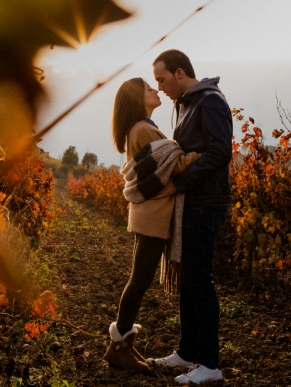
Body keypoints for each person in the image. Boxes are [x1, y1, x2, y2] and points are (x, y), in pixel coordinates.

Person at [103, 77, 201, 372]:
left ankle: (122, 345)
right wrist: (207, 155)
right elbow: (172, 164)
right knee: (139, 280)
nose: (156, 90)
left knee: (139, 279)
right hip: (153, 216)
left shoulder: (141, 128)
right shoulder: (143, 129)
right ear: (137, 99)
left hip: (149, 214)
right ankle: (118, 347)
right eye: (149, 88)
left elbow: (164, 161)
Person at [147, 49, 232, 385]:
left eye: (162, 79)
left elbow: (220, 152)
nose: (160, 86)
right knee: (188, 277)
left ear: (180, 73)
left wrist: (179, 183)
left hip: (206, 201)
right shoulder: (186, 104)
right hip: (192, 201)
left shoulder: (209, 100)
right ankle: (187, 351)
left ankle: (210, 364)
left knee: (199, 279)